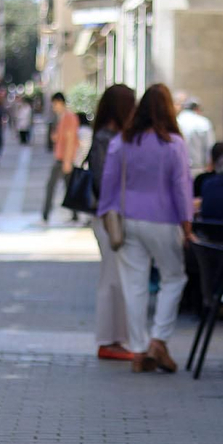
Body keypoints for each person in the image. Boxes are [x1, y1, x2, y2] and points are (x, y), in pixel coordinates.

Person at [97, 83, 194, 373]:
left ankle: (139, 350)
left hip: (127, 221)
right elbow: (181, 187)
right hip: (164, 220)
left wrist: (106, 214)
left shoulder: (123, 141)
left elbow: (109, 183)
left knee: (134, 285)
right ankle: (158, 340)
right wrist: (187, 224)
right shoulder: (173, 143)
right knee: (173, 277)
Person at [86, 84, 137, 361]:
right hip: (110, 216)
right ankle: (109, 340)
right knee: (112, 278)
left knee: (116, 277)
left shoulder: (110, 136)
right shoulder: (107, 138)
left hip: (111, 214)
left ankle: (116, 339)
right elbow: (101, 181)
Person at [41, 92, 81, 223]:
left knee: (52, 186)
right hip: (62, 157)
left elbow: (70, 140)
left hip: (64, 159)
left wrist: (68, 161)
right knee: (69, 187)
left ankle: (46, 214)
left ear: (60, 102)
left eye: (55, 104)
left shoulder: (69, 117)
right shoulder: (61, 117)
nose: (53, 107)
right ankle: (75, 214)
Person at [175, 93, 215, 177]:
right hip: (198, 169)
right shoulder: (203, 123)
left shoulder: (176, 122)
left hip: (178, 169)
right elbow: (209, 148)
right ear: (197, 109)